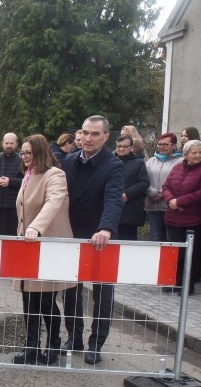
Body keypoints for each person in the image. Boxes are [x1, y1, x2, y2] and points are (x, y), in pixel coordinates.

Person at [62, 115, 125, 365]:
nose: (88, 138)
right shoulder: (68, 161)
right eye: (85, 133)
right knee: (70, 292)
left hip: (101, 240)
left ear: (106, 137)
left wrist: (106, 228)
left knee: (103, 295)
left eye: (95, 134)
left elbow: (113, 199)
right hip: (72, 236)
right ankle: (74, 338)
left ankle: (96, 344)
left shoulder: (114, 165)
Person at [13, 134, 74, 366]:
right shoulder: (28, 176)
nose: (25, 157)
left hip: (47, 246)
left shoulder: (55, 175)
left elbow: (54, 202)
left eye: (29, 152)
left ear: (40, 152)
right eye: (23, 153)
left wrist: (35, 228)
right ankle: (31, 348)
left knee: (46, 303)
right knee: (29, 302)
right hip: (28, 248)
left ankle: (53, 344)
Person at [162, 140, 201, 294]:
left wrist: (179, 201)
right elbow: (166, 186)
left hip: (194, 219)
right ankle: (174, 281)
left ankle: (187, 285)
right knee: (175, 252)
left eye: (200, 152)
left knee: (192, 254)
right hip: (173, 217)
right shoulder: (177, 167)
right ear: (185, 154)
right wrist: (171, 200)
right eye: (194, 153)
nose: (198, 155)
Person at [145, 133, 182, 242]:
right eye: (159, 144)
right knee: (155, 237)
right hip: (152, 205)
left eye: (165, 144)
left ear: (174, 145)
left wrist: (162, 193)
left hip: (169, 206)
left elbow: (179, 181)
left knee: (169, 238)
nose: (162, 147)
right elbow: (144, 179)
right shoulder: (151, 161)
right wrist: (152, 192)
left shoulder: (180, 161)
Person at [115, 135, 150, 241]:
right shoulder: (109, 161)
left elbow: (144, 182)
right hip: (112, 209)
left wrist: (127, 194)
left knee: (128, 242)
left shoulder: (138, 163)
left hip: (130, 209)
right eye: (119, 146)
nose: (121, 149)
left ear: (131, 147)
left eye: (125, 146)